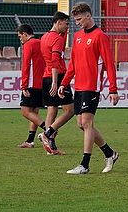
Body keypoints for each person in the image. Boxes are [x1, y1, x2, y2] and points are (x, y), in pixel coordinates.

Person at [58, 3, 120, 174]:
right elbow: (73, 64)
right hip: (78, 87)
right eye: (75, 20)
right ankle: (110, 153)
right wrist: (64, 83)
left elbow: (109, 64)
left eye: (79, 19)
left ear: (88, 16)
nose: (77, 22)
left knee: (86, 123)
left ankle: (84, 165)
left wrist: (113, 89)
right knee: (81, 124)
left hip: (92, 87)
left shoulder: (100, 36)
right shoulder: (77, 36)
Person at [39, 12, 75, 155]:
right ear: (59, 22)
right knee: (70, 110)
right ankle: (48, 133)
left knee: (52, 110)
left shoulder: (44, 37)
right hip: (57, 77)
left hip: (46, 77)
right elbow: (55, 61)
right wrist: (56, 82)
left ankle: (50, 148)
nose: (67, 27)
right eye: (66, 24)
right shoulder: (57, 39)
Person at [16, 25, 47, 149]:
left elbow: (26, 65)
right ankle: (30, 140)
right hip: (42, 82)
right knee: (34, 111)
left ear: (25, 34)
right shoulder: (41, 42)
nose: (20, 39)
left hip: (31, 83)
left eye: (20, 36)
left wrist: (24, 85)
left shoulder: (29, 44)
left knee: (25, 111)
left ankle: (49, 130)